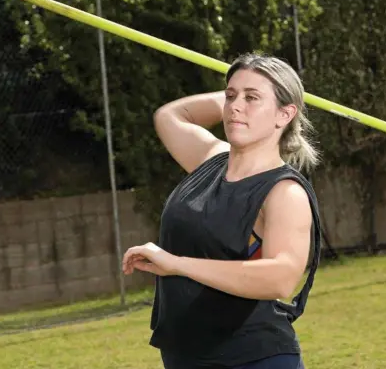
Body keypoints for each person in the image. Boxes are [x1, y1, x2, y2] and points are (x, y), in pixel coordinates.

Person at [122, 53, 322, 369]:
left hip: (252, 358)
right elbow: (170, 116)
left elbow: (281, 278)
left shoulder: (284, 191)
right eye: (231, 96)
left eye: (252, 98)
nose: (235, 106)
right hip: (184, 355)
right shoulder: (210, 158)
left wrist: (178, 265)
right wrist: (244, 89)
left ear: (284, 115)